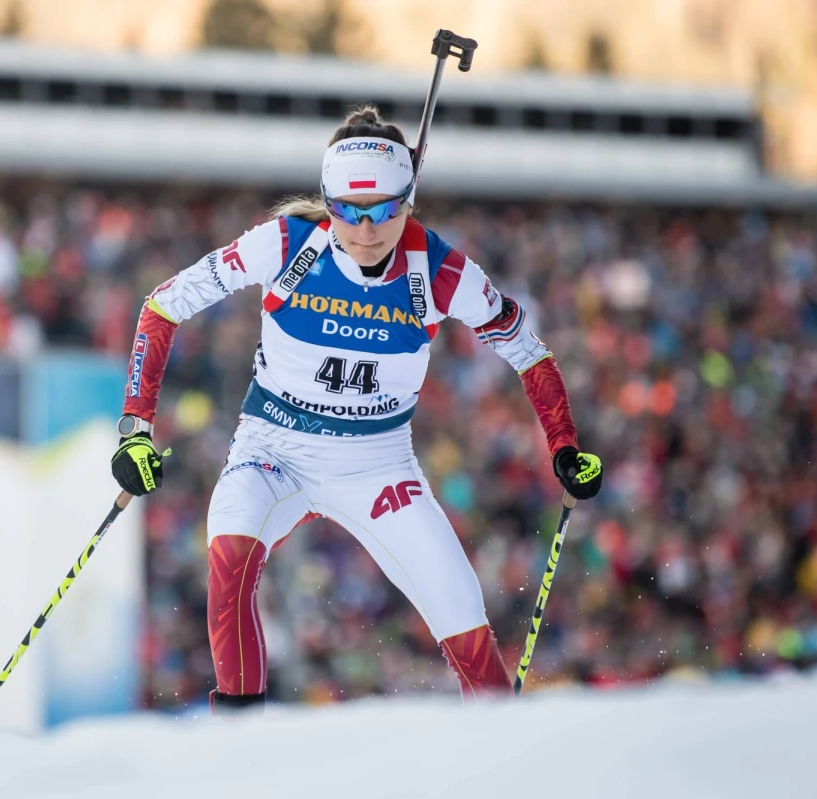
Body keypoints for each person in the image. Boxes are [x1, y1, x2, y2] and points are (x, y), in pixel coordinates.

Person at [111, 106, 603, 713]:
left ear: (409, 201)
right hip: (273, 450)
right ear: (327, 201)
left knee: (464, 620)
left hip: (376, 465)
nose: (365, 231)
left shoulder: (443, 271)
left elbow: (530, 353)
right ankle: (239, 747)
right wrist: (135, 429)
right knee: (229, 552)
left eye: (382, 213)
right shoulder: (286, 245)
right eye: (347, 211)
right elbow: (162, 306)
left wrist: (563, 446)